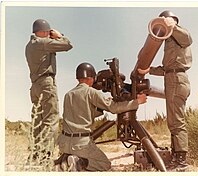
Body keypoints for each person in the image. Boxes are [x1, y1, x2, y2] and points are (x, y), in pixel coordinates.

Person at [55, 62, 147, 171]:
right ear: (91, 78)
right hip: (81, 143)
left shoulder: (68, 94)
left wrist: (103, 105)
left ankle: (64, 161)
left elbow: (84, 113)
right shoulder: (91, 92)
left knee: (76, 152)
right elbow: (113, 108)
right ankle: (79, 162)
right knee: (105, 164)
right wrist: (137, 102)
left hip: (64, 142)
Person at [138, 10, 192, 171]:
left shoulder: (180, 33)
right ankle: (176, 157)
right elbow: (166, 69)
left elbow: (188, 39)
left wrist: (173, 26)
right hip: (172, 78)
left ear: (172, 21)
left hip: (176, 80)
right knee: (173, 121)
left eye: (166, 21)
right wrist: (149, 70)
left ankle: (181, 161)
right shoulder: (170, 42)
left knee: (176, 121)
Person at [25, 19, 73, 161]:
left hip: (35, 85)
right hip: (46, 83)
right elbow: (68, 45)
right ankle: (45, 154)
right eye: (47, 32)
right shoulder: (43, 43)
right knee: (50, 119)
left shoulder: (30, 45)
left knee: (38, 120)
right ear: (44, 31)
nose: (48, 34)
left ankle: (35, 152)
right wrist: (59, 36)